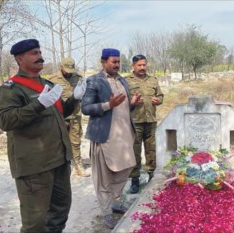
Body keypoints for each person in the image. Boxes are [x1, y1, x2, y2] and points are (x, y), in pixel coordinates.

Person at [0, 39, 85, 233]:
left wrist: (74, 99)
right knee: (35, 223)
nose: (39, 56)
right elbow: (5, 121)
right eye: (33, 53)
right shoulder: (10, 89)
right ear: (20, 59)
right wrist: (38, 104)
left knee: (60, 211)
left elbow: (60, 112)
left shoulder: (47, 85)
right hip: (34, 166)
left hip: (59, 160)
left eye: (39, 52)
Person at [81, 48, 142, 229]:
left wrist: (131, 104)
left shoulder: (122, 80)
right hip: (105, 137)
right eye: (113, 62)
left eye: (118, 62)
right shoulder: (94, 81)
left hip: (124, 136)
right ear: (103, 62)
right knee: (104, 177)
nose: (116, 65)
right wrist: (108, 104)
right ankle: (106, 212)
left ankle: (115, 202)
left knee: (124, 170)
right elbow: (85, 108)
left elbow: (122, 109)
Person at [126, 54, 164, 194]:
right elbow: (122, 100)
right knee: (134, 151)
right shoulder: (126, 81)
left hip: (150, 120)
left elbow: (160, 96)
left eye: (144, 65)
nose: (142, 67)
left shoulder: (153, 80)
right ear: (133, 66)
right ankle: (134, 179)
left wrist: (158, 100)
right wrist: (132, 102)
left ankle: (151, 176)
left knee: (151, 150)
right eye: (139, 65)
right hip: (135, 121)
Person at [48, 57, 89, 177]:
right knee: (59, 142)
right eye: (66, 70)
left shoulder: (79, 78)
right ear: (61, 67)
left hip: (75, 115)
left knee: (75, 142)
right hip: (60, 116)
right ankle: (63, 166)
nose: (68, 73)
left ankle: (78, 166)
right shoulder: (53, 80)